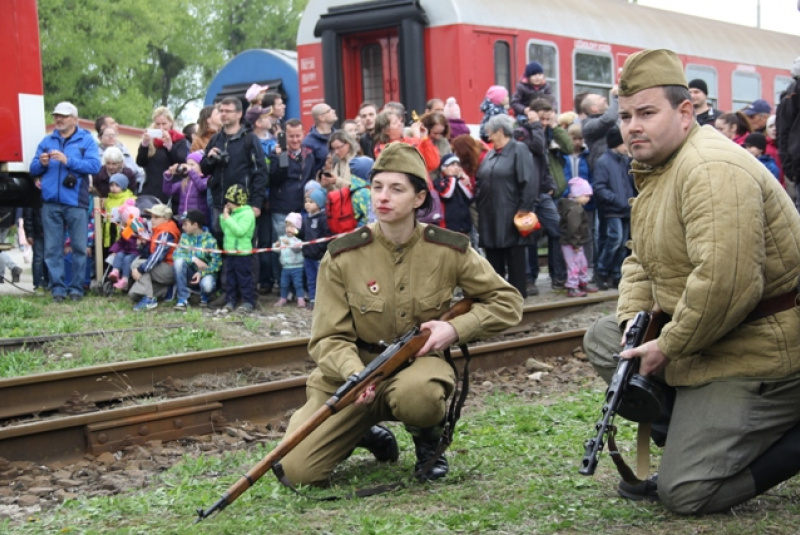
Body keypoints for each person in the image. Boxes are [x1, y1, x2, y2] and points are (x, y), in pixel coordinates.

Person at [583, 48, 800, 515]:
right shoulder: (662, 167)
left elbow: (728, 286)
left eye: (646, 113)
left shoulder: (709, 170)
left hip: (758, 349)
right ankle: (692, 426)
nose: (632, 126)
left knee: (686, 492)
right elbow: (640, 259)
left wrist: (667, 346)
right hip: (706, 335)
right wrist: (634, 325)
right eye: (625, 116)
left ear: (685, 113)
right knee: (606, 339)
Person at [277, 142, 524, 486]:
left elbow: (507, 301)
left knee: (419, 396)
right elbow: (327, 338)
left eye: (396, 189)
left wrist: (454, 330)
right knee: (296, 473)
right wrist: (354, 374)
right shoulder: (343, 256)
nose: (383, 197)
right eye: (377, 187)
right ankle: (362, 432)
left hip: (416, 366)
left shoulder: (447, 249)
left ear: (419, 198)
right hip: (351, 374)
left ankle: (428, 444)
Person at [29, 101, 101, 302]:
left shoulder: (86, 140)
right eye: (56, 116)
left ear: (75, 119)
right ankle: (58, 289)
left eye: (63, 116)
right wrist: (41, 164)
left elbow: (95, 166)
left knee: (79, 247)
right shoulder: (47, 141)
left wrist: (67, 161)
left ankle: (76, 288)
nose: (58, 119)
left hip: (76, 201)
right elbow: (32, 169)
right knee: (52, 248)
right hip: (50, 202)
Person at [475, 114, 538, 298]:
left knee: (514, 257)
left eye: (490, 132)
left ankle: (517, 297)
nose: (488, 136)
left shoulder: (519, 150)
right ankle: (497, 298)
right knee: (493, 257)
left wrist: (523, 210)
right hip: (489, 214)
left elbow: (528, 181)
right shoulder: (490, 154)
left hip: (512, 213)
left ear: (500, 131)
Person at [201, 97, 268, 240]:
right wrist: (210, 159)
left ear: (239, 114)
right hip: (219, 203)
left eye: (228, 111)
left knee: (242, 250)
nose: (223, 114)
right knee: (221, 248)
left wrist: (256, 204)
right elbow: (204, 169)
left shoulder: (249, 139)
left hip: (243, 205)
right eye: (221, 111)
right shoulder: (215, 139)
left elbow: (260, 173)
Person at [592, 126, 633, 290]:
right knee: (614, 240)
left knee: (624, 243)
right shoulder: (603, 162)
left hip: (625, 208)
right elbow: (600, 187)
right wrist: (617, 200)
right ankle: (602, 270)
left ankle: (617, 273)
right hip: (612, 209)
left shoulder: (625, 160)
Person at [128, 203, 180, 311]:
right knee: (133, 294)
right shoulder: (159, 230)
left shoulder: (166, 232)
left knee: (137, 264)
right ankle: (167, 290)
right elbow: (151, 254)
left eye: (156, 217)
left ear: (166, 219)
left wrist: (140, 269)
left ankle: (149, 300)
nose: (152, 220)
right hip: (161, 268)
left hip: (169, 269)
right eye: (151, 217)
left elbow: (158, 256)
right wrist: (141, 246)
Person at [137, 107, 189, 204]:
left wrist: (170, 147)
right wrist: (144, 145)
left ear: (171, 123)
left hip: (171, 188)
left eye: (164, 124)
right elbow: (140, 162)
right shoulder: (151, 139)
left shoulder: (180, 140)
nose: (161, 127)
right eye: (157, 124)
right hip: (151, 188)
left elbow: (181, 162)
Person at [219, 184, 257, 315]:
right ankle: (231, 300)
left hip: (242, 252)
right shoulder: (232, 214)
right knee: (231, 278)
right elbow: (225, 229)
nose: (227, 203)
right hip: (231, 251)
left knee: (244, 277)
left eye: (230, 201)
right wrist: (224, 217)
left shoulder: (247, 214)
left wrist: (228, 219)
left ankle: (248, 301)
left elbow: (240, 231)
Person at [557, 177, 597, 297]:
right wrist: (575, 243)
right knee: (573, 265)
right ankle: (572, 286)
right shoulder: (574, 210)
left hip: (577, 242)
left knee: (582, 263)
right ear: (578, 195)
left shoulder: (576, 208)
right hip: (572, 243)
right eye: (586, 196)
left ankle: (582, 282)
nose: (588, 199)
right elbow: (573, 228)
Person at [173, 210, 221, 310]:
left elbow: (216, 263)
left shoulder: (211, 240)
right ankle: (183, 298)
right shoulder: (184, 237)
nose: (182, 227)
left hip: (206, 273)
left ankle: (205, 294)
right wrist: (193, 259)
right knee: (178, 262)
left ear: (195, 225)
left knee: (207, 285)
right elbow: (177, 254)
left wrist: (201, 273)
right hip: (190, 272)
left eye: (185, 224)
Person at [299, 188, 330, 309]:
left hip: (319, 255)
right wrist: (296, 232)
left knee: (320, 280)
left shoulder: (323, 218)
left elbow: (327, 236)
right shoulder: (306, 218)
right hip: (308, 255)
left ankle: (322, 301)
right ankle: (313, 300)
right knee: (310, 279)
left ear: (319, 203)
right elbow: (303, 235)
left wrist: (320, 248)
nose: (307, 204)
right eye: (306, 201)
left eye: (311, 201)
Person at [162, 151, 210, 223]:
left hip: (198, 222)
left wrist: (190, 171)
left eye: (192, 164)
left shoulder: (206, 179)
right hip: (184, 220)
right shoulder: (185, 182)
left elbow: (201, 187)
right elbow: (168, 190)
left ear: (201, 165)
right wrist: (168, 174)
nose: (189, 167)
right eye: (187, 164)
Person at [433, 153, 473, 235]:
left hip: (464, 227)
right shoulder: (438, 182)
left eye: (458, 165)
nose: (456, 167)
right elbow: (447, 194)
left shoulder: (459, 182)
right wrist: (451, 177)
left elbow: (470, 197)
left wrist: (463, 180)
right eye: (452, 165)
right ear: (444, 168)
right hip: (448, 228)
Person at [581, 90, 619, 173]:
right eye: (600, 98)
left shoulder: (613, 119)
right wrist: (616, 98)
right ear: (594, 108)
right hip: (604, 173)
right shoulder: (588, 125)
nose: (605, 98)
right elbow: (609, 119)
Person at [107, 199, 141, 291]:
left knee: (126, 260)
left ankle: (125, 279)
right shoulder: (124, 229)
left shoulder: (138, 227)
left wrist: (140, 240)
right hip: (125, 249)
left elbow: (144, 237)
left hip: (135, 251)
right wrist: (114, 250)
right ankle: (115, 271)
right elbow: (120, 242)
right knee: (119, 255)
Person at [273, 212, 305, 308]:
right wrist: (276, 246)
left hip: (297, 266)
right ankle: (283, 298)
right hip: (285, 267)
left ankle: (300, 298)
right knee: (284, 283)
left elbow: (297, 249)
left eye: (291, 226)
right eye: (287, 226)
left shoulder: (298, 240)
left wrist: (289, 244)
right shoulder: (282, 238)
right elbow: (277, 251)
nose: (288, 229)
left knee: (298, 283)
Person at [302, 103, 338, 185]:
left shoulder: (339, 136)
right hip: (320, 187)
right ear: (321, 117)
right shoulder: (309, 142)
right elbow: (307, 172)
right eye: (329, 110)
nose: (334, 111)